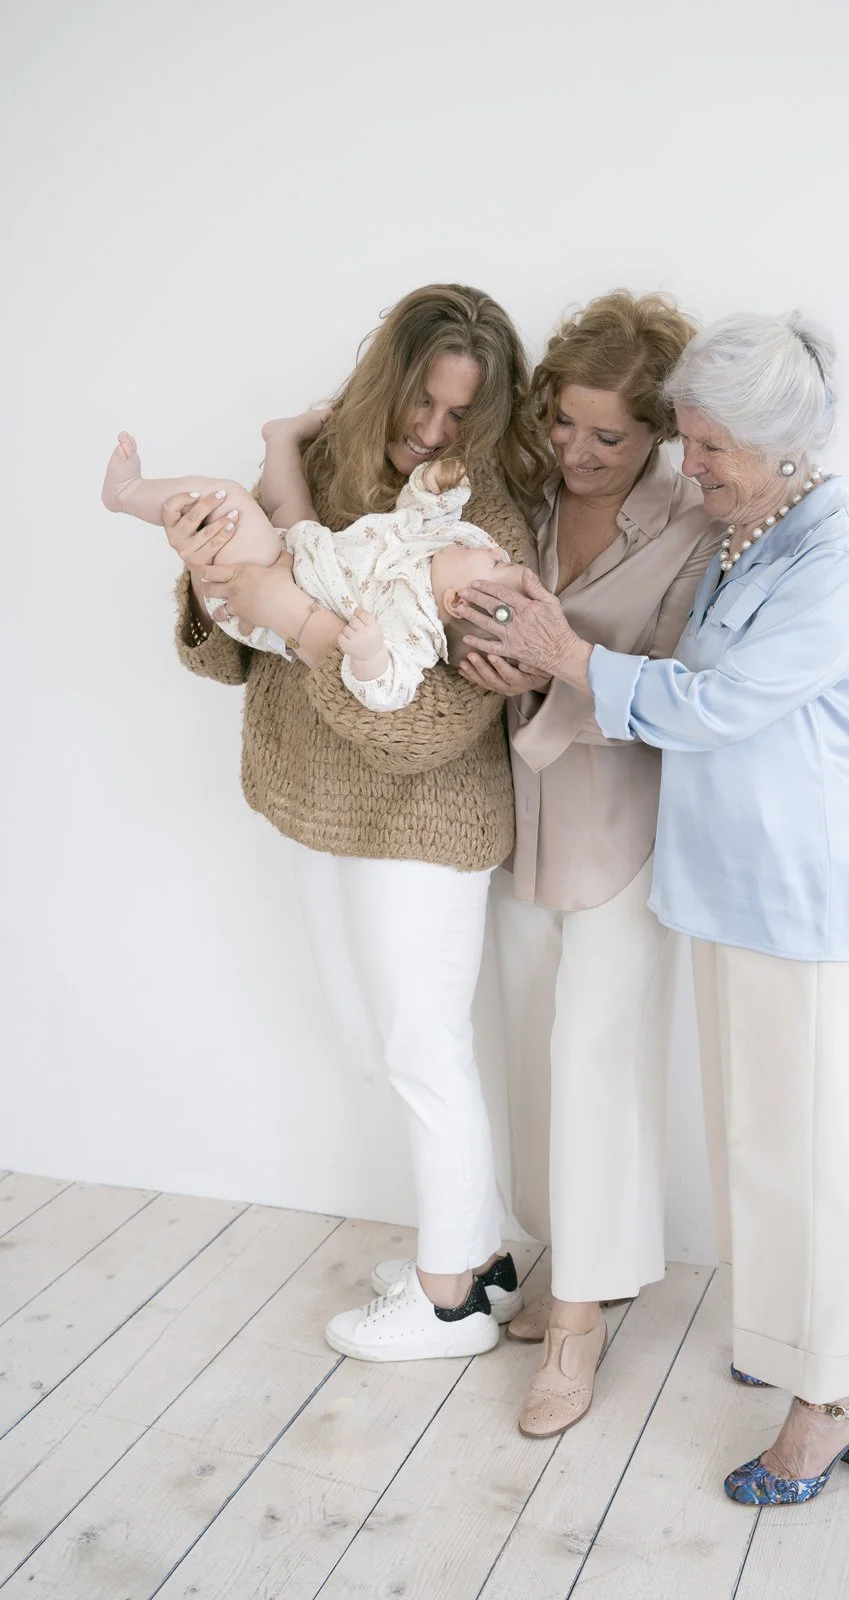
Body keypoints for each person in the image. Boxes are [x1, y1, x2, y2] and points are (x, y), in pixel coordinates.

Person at [454, 310, 849, 1500]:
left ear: (782, 443)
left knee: (803, 1147)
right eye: (687, 439)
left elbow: (712, 705)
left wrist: (565, 657)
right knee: (757, 1141)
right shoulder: (749, 533)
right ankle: (821, 1330)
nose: (685, 461)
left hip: (800, 888)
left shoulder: (833, 563)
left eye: (707, 446)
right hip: (723, 881)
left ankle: (830, 1398)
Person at [161, 283, 546, 1361]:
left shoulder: (483, 524)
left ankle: (447, 1299)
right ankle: (481, 1254)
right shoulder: (320, 472)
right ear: (385, 377)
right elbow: (223, 656)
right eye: (420, 401)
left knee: (421, 1048)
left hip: (423, 820)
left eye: (460, 413)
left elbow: (423, 729)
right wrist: (208, 577)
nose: (431, 431)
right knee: (371, 1045)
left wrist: (301, 620)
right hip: (313, 806)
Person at [453, 291, 721, 1438]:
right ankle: (570, 1253)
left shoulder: (691, 526)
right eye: (563, 422)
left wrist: (553, 675)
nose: (577, 450)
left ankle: (577, 1322)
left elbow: (674, 691)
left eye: (607, 434)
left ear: (656, 429)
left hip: (622, 823)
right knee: (523, 1044)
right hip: (514, 817)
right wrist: (479, 659)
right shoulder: (522, 497)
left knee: (593, 1056)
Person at [103, 421, 523, 708]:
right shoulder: (437, 544)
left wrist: (370, 654)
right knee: (287, 502)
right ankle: (281, 439)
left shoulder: (415, 627)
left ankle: (128, 492)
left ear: (456, 601)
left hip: (270, 596)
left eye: (497, 566)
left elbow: (390, 690)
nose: (498, 551)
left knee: (229, 501)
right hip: (306, 550)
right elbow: (420, 510)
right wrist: (439, 486)